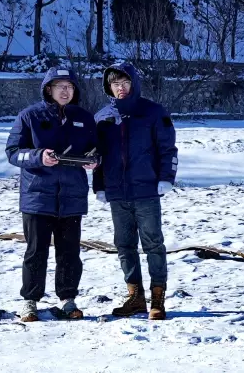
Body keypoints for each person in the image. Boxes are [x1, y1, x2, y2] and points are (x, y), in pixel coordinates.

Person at [5, 66, 98, 322]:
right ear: (48, 89)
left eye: (69, 86)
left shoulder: (84, 118)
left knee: (70, 253)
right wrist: (39, 156)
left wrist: (94, 160)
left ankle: (68, 300)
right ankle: (30, 302)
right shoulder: (29, 116)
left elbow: (95, 149)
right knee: (36, 252)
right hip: (37, 197)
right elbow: (13, 152)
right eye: (60, 86)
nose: (65, 91)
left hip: (72, 197)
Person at [93, 60, 178, 320]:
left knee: (153, 243)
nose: (121, 88)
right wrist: (99, 186)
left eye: (125, 82)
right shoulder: (103, 116)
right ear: (109, 87)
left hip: (146, 191)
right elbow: (98, 156)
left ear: (134, 83)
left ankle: (157, 298)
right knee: (124, 245)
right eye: (115, 84)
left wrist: (166, 178)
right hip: (118, 193)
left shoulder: (153, 112)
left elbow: (168, 148)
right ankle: (135, 297)